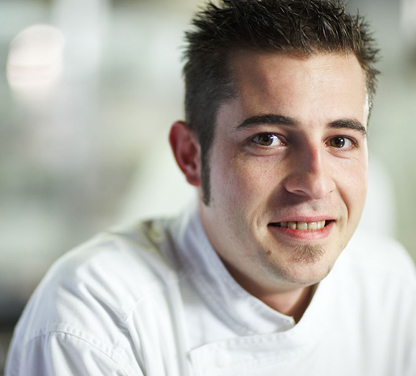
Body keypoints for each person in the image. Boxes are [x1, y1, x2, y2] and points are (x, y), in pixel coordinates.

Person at [6, 0, 416, 375]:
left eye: (340, 141)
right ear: (189, 156)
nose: (315, 183)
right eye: (267, 139)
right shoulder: (93, 320)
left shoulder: (388, 285)